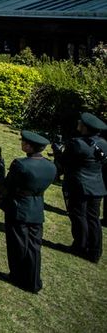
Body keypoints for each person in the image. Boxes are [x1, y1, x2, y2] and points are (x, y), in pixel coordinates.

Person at [0, 130, 57, 292]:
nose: (22, 143)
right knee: (34, 246)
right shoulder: (50, 166)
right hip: (37, 207)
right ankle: (33, 280)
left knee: (17, 245)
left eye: (24, 142)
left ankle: (17, 276)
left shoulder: (20, 164)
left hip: (19, 207)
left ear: (30, 147)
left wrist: (0, 177)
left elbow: (8, 186)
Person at [56, 111, 106, 262]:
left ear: (85, 128)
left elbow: (64, 163)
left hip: (79, 185)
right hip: (96, 185)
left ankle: (80, 246)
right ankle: (95, 251)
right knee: (93, 218)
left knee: (78, 216)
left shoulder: (76, 144)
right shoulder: (103, 143)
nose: (78, 122)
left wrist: (58, 152)